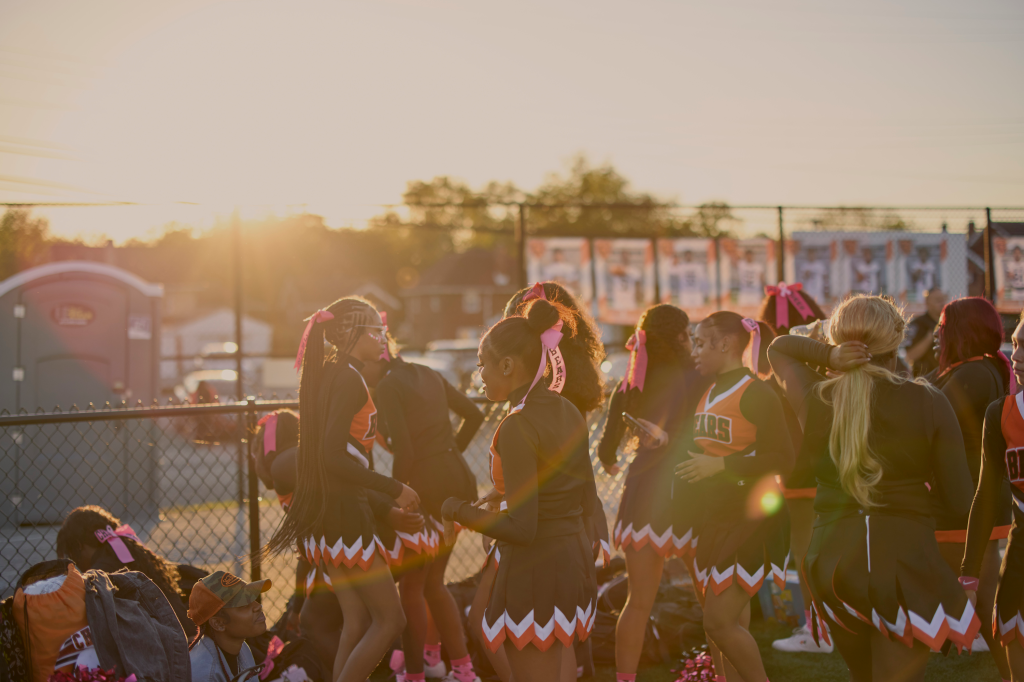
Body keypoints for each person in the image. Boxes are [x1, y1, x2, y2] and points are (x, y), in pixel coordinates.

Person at [768, 296, 980, 682]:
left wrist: (830, 356)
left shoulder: (817, 397)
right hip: (905, 558)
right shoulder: (928, 400)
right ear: (897, 339)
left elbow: (779, 348)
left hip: (833, 562)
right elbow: (960, 501)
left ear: (838, 339)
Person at [441, 298, 599, 682]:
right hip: (570, 558)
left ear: (507, 365)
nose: (479, 373)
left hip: (535, 568)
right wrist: (506, 492)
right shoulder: (567, 408)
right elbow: (581, 492)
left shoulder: (517, 424)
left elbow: (523, 529)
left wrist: (456, 510)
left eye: (482, 364)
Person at [264, 296, 420, 682]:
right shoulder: (347, 378)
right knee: (391, 620)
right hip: (345, 514)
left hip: (328, 514)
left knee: (357, 620)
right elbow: (333, 457)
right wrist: (394, 487)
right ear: (351, 332)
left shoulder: (331, 372)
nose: (382, 337)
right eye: (376, 330)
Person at [594, 304, 713, 682]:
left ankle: (624, 679)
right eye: (688, 333)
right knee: (710, 597)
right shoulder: (699, 377)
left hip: (643, 490)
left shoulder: (631, 382)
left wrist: (617, 461)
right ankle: (720, 671)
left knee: (637, 602)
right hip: (688, 488)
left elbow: (606, 452)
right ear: (679, 336)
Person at [676, 312, 793, 682]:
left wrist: (723, 465)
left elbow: (784, 458)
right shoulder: (709, 391)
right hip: (717, 518)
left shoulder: (757, 392)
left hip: (751, 519)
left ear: (725, 344)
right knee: (720, 628)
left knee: (719, 622)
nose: (694, 351)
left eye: (700, 343)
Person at [372, 332, 485, 682]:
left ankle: (416, 674)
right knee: (434, 584)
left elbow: (405, 450)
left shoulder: (387, 386)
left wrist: (395, 494)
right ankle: (459, 668)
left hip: (426, 488)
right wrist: (448, 454)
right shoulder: (428, 372)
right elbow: (474, 414)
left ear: (376, 359)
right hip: (458, 480)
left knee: (412, 587)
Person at [928, 297, 1013, 674]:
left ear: (964, 331)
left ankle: (1012, 670)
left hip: (966, 502)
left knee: (984, 596)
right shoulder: (970, 369)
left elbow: (927, 415)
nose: (937, 333)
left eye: (943, 326)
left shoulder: (976, 372)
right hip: (963, 499)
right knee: (979, 595)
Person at [755, 285, 833, 655]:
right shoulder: (829, 361)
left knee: (804, 550)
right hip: (837, 464)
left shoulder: (780, 366)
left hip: (799, 469)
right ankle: (839, 623)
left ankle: (817, 631)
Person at [962, 311, 1024, 680]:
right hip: (1020, 557)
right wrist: (969, 576)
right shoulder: (1000, 413)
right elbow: (986, 496)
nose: (1016, 356)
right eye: (1014, 344)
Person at [56, 505, 195, 639]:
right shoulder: (137, 553)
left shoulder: (99, 573)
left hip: (167, 643)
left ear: (78, 546)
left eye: (72, 555)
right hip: (187, 633)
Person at [188, 570, 270, 682]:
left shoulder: (241, 647)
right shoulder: (204, 674)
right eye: (244, 605)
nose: (258, 606)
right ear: (218, 623)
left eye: (252, 599)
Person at [903, 286, 947, 377]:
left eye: (943, 299)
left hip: (946, 376)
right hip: (924, 377)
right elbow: (909, 356)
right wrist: (930, 337)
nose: (942, 303)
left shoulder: (950, 322)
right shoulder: (917, 324)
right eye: (937, 300)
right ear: (927, 303)